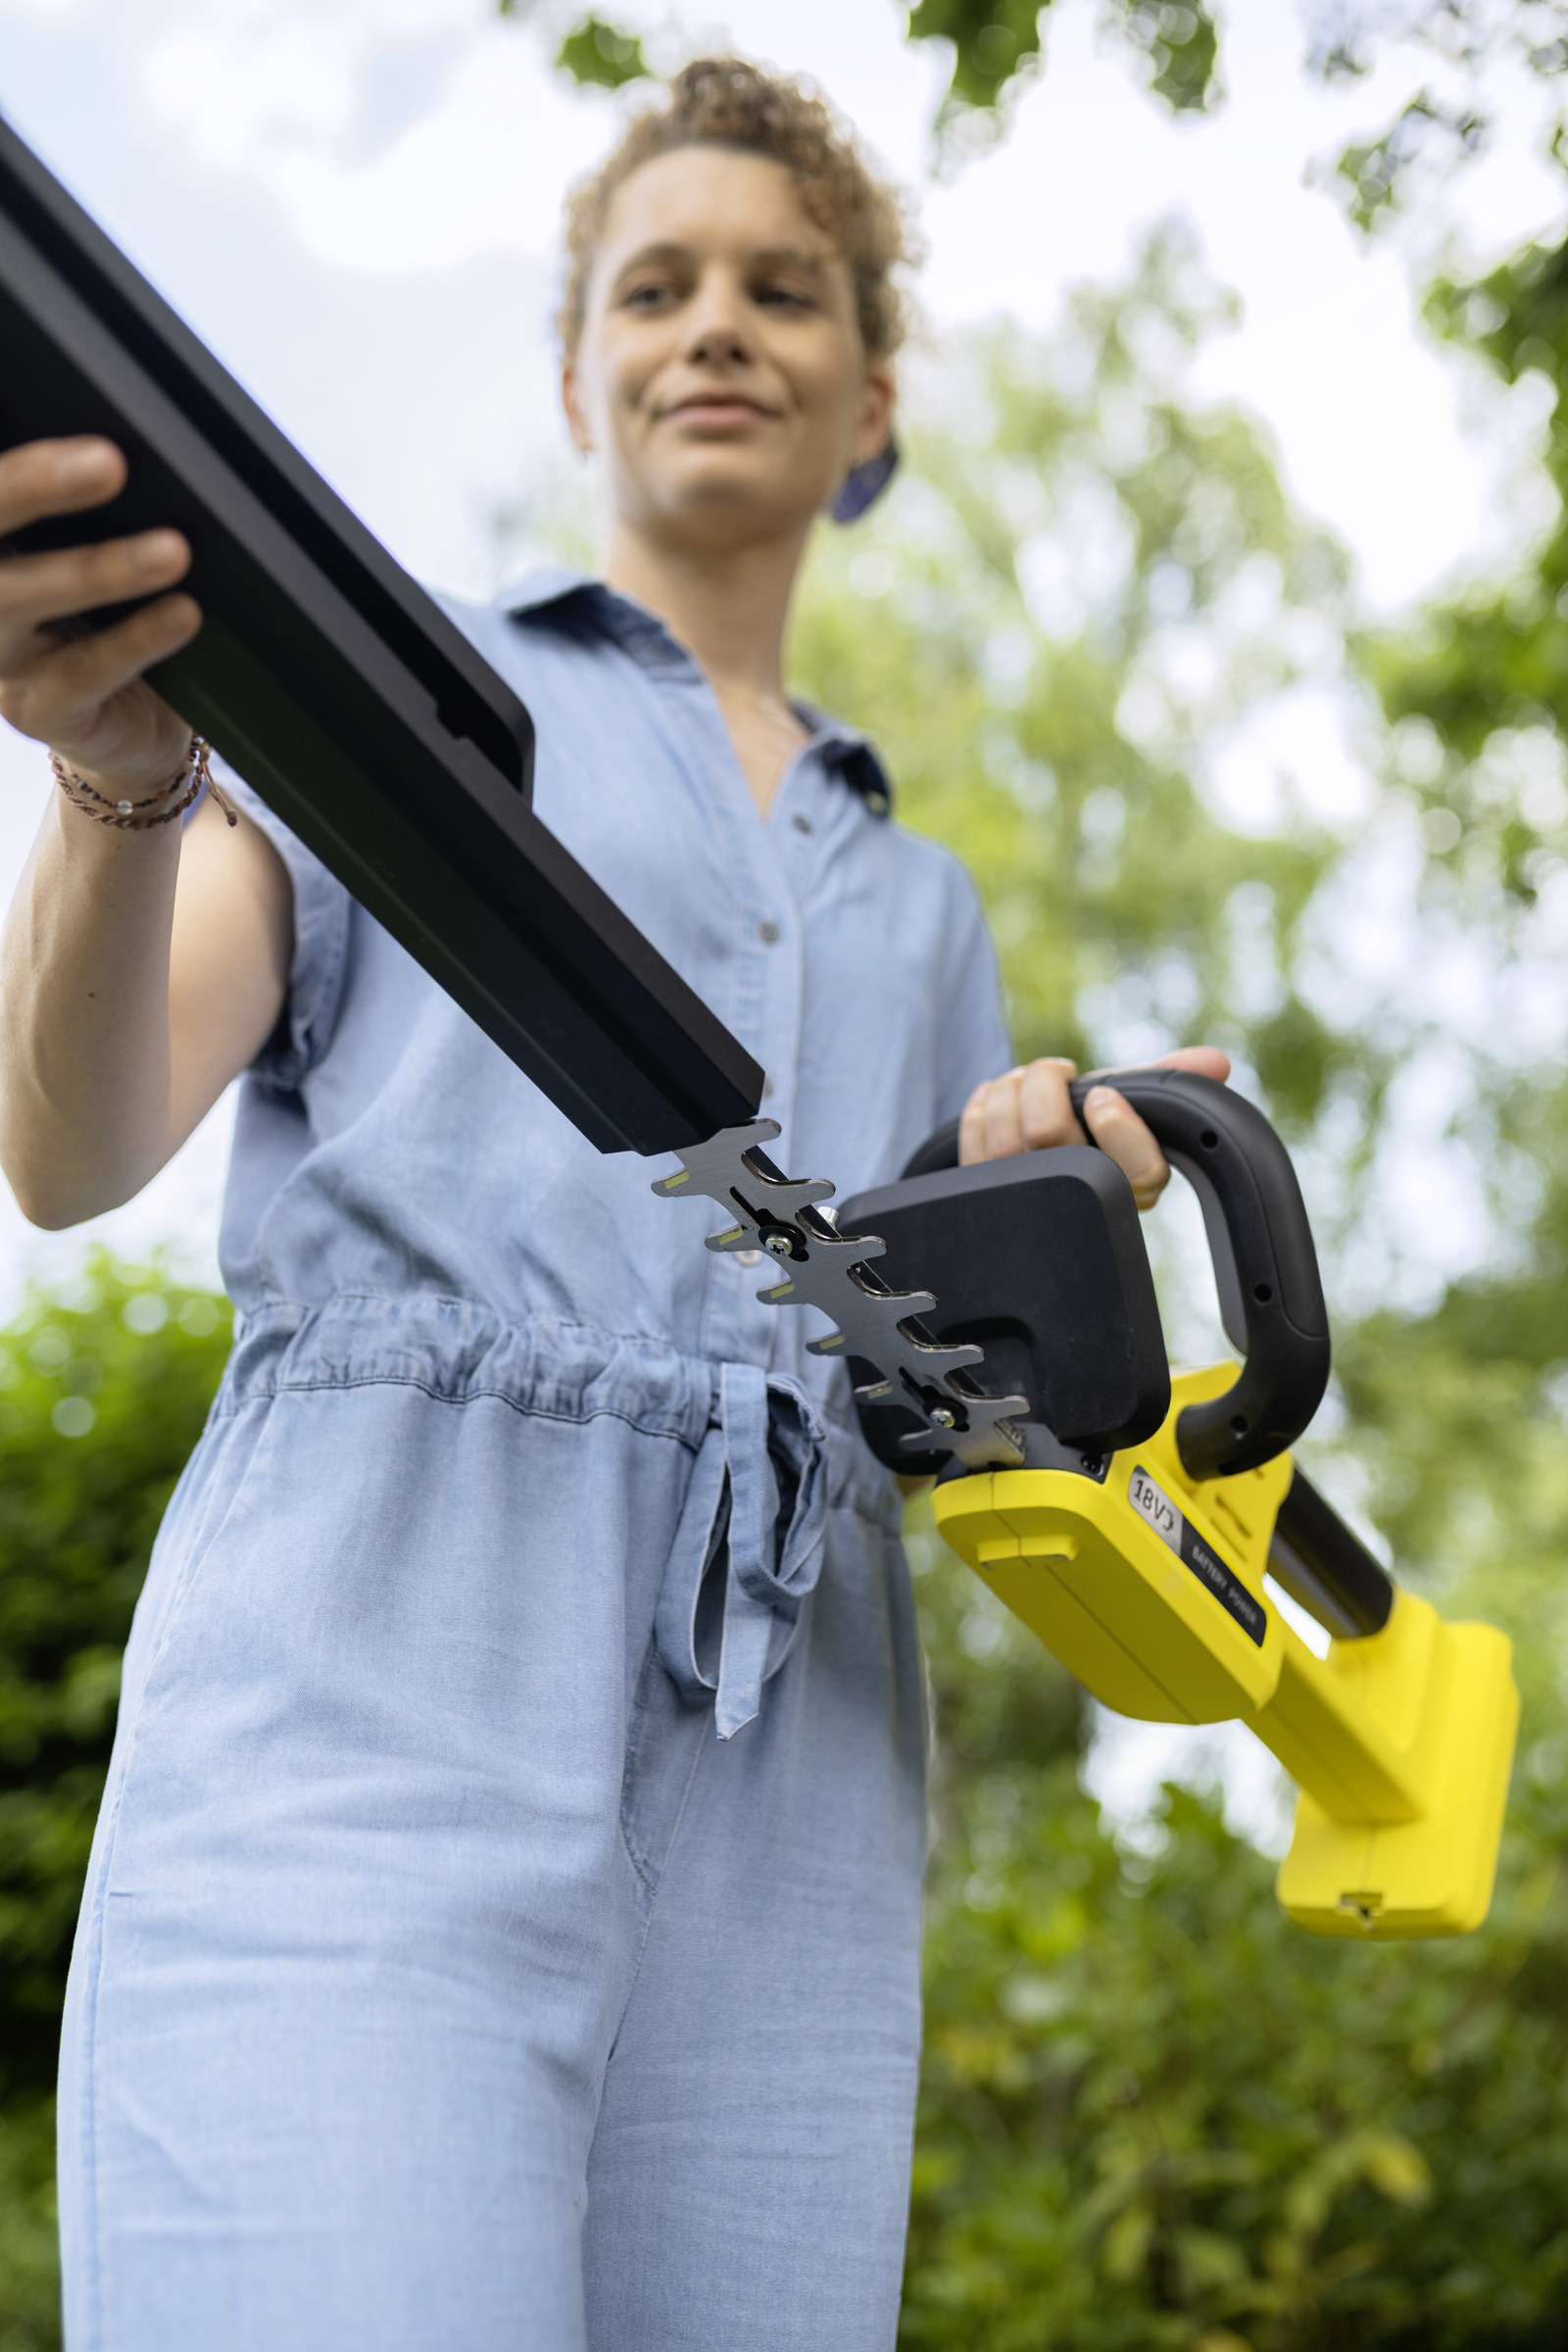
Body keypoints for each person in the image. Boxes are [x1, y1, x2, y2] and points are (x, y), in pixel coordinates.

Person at [0, 57, 1226, 2352]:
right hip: (377, 1688)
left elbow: (925, 1383)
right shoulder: (410, 706)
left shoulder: (926, 893)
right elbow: (69, 1147)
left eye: (784, 288)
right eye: (653, 287)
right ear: (580, 374)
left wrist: (1039, 1206)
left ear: (872, 397)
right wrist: (112, 776)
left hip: (806, 1786)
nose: (716, 324)